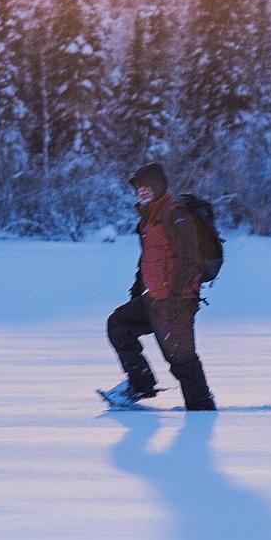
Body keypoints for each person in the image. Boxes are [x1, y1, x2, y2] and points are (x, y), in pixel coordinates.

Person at [103, 162, 217, 411]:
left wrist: (177, 296)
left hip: (178, 300)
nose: (141, 192)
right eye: (138, 188)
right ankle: (141, 384)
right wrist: (137, 290)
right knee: (119, 325)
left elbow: (190, 258)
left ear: (158, 187)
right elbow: (149, 259)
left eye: (146, 187)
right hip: (155, 298)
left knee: (181, 359)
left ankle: (202, 410)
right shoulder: (147, 221)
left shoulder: (176, 215)